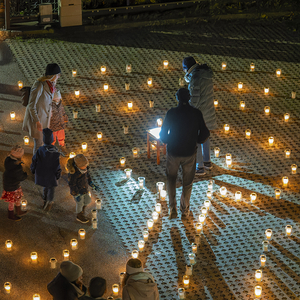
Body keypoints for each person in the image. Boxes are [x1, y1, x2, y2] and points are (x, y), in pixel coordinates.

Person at [160, 88, 209, 219]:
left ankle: (172, 209)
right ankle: (185, 210)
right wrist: (196, 141)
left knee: (171, 180)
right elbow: (205, 133)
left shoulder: (171, 113)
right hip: (189, 153)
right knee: (187, 183)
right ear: (189, 98)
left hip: (174, 153)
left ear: (177, 98)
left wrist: (169, 141)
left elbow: (163, 135)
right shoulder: (196, 113)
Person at [182, 56, 217, 175]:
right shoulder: (205, 73)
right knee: (205, 136)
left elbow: (194, 99)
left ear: (187, 68)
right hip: (208, 111)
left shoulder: (196, 78)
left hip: (199, 113)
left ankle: (199, 166)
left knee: (195, 138)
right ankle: (207, 161)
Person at [22, 63, 61, 154]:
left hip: (45, 118)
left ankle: (40, 162)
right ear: (53, 76)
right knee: (39, 143)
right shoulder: (39, 85)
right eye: (58, 75)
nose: (59, 77)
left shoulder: (51, 83)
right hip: (38, 120)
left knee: (43, 142)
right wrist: (37, 121)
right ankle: (36, 165)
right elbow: (32, 105)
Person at [30, 128, 61, 210]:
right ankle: (49, 202)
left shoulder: (40, 150)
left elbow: (34, 160)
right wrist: (58, 174)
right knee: (51, 188)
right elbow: (57, 165)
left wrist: (33, 169)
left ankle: (44, 199)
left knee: (45, 186)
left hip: (43, 172)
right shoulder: (55, 151)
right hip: (51, 174)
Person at [67, 154, 100, 223]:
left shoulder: (84, 170)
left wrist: (91, 183)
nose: (86, 166)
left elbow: (87, 176)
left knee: (87, 201)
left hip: (84, 189)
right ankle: (79, 215)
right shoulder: (74, 174)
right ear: (78, 166)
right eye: (84, 165)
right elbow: (72, 184)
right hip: (78, 192)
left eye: (86, 165)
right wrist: (76, 194)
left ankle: (82, 210)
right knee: (80, 203)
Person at [1, 145, 27, 221]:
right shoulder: (17, 168)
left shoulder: (8, 159)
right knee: (12, 201)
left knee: (17, 198)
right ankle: (11, 214)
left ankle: (18, 211)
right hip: (13, 186)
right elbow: (20, 177)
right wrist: (25, 175)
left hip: (8, 183)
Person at [49, 89, 69, 156]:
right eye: (56, 100)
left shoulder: (60, 104)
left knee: (61, 137)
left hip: (60, 124)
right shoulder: (49, 105)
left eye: (58, 99)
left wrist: (64, 116)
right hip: (52, 126)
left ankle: (62, 147)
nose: (57, 101)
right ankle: (51, 150)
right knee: (52, 139)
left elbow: (62, 111)